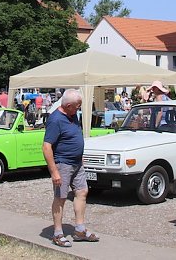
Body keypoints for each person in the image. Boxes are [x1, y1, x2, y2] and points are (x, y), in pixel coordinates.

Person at [42, 89, 98, 248]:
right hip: (63, 164)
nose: (79, 108)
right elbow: (46, 147)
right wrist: (54, 172)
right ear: (67, 105)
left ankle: (79, 230)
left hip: (77, 163)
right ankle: (58, 233)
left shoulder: (73, 115)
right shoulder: (55, 120)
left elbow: (74, 136)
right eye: (77, 106)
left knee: (82, 192)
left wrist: (80, 157)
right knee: (60, 197)